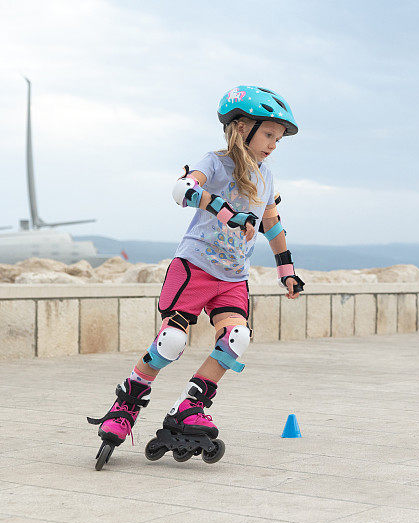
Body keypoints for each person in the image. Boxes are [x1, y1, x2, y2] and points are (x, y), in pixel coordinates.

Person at [88, 85, 304, 468]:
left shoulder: (267, 176)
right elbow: (182, 189)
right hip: (194, 267)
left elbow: (271, 223)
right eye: (268, 134)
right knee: (171, 340)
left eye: (278, 137)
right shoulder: (217, 163)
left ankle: (190, 406)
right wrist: (223, 210)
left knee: (237, 339)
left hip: (233, 277)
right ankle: (127, 404)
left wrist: (286, 270)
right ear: (241, 128)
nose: (274, 143)